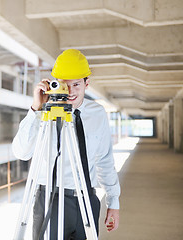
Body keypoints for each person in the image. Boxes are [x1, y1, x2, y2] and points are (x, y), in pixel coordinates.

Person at [12, 49, 120, 240]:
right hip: (49, 201)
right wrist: (35, 109)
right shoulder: (43, 114)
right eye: (64, 84)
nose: (70, 91)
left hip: (87, 200)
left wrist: (113, 201)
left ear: (87, 83)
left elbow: (105, 160)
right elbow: (21, 152)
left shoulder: (97, 114)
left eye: (76, 84)